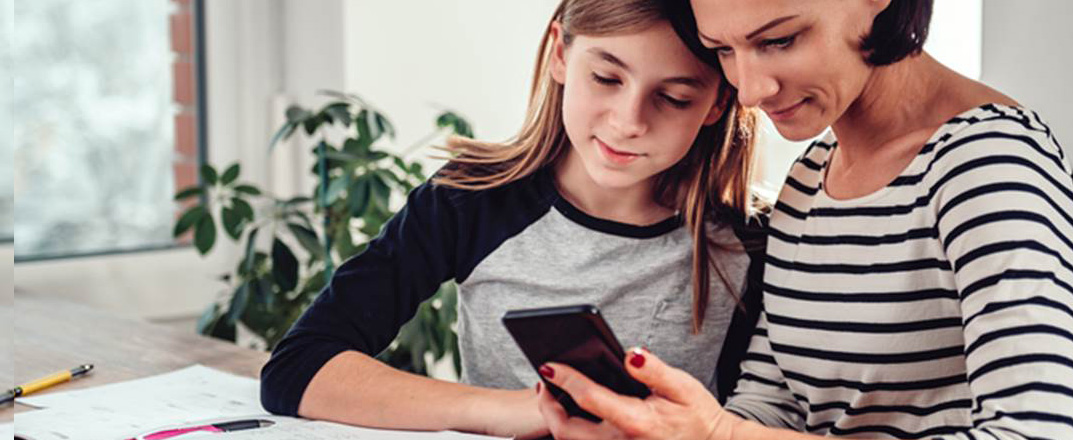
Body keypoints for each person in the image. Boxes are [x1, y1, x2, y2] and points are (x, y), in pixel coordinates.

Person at [536, 1, 1073, 439]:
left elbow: (1037, 430)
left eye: (779, 40)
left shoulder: (989, 166)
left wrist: (723, 433)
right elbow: (772, 403)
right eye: (724, 51)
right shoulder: (810, 181)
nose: (750, 90)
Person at [258, 0, 770, 438]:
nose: (628, 121)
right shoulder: (468, 203)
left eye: (674, 98)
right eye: (606, 77)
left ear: (718, 101)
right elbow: (299, 367)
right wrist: (524, 411)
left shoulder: (752, 240)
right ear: (561, 53)